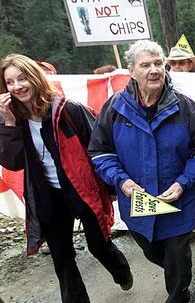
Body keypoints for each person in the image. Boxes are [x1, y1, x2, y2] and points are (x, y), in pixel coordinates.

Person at [88, 40, 195, 303]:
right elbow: (100, 153)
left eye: (158, 63)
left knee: (178, 261)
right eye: (145, 65)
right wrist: (121, 181)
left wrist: (183, 182)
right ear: (132, 70)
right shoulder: (114, 108)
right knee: (152, 252)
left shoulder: (185, 107)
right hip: (137, 203)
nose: (154, 70)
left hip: (178, 202)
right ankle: (178, 284)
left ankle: (179, 294)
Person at [0, 54, 133, 303]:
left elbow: (99, 148)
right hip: (48, 195)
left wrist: (111, 187)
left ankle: (120, 271)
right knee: (62, 258)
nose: (17, 86)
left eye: (22, 78)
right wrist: (8, 123)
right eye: (10, 82)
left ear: (35, 77)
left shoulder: (67, 109)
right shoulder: (11, 119)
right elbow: (12, 162)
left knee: (98, 245)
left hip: (81, 189)